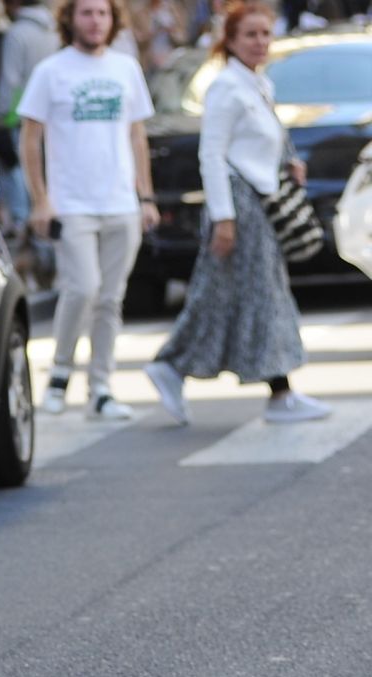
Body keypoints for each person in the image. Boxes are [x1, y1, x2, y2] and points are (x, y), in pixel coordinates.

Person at [143, 1, 331, 425]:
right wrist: (224, 218)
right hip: (238, 204)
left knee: (229, 297)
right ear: (229, 41)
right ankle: (278, 394)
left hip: (257, 200)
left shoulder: (256, 83)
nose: (260, 42)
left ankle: (172, 367)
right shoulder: (226, 85)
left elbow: (263, 135)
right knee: (258, 296)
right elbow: (212, 154)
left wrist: (287, 160)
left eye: (265, 34)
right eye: (250, 35)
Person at [19, 0, 160, 420]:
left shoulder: (126, 68)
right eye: (86, 13)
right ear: (70, 20)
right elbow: (30, 139)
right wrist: (41, 200)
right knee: (82, 288)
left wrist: (146, 197)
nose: (95, 21)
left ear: (112, 21)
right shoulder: (51, 70)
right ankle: (60, 375)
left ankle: (101, 386)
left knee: (111, 299)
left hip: (121, 202)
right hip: (71, 203)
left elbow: (137, 136)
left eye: (102, 13)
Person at [0, 0, 59, 237]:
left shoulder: (17, 33)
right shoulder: (54, 30)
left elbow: (10, 79)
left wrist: (0, 115)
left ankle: (24, 224)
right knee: (43, 168)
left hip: (21, 114)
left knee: (17, 168)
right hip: (53, 114)